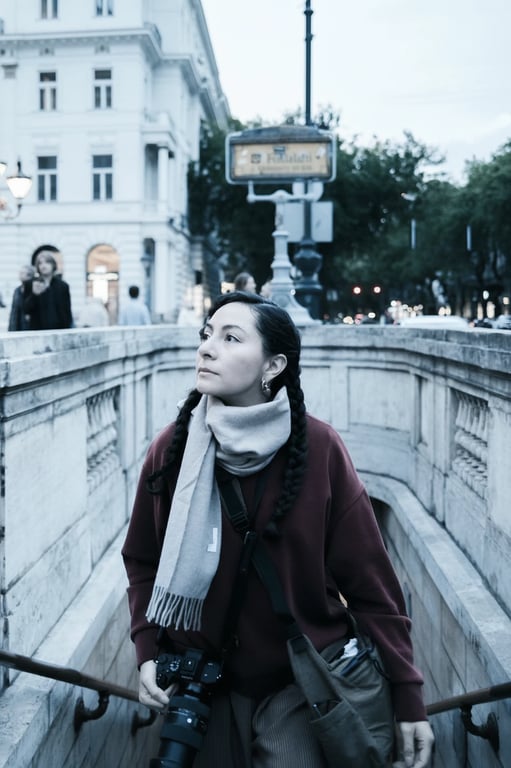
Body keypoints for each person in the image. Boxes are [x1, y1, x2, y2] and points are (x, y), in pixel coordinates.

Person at [122, 292, 434, 768]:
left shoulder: (320, 447)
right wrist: (147, 649)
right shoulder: (173, 447)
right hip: (201, 683)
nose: (207, 348)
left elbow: (371, 583)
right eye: (206, 335)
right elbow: (143, 558)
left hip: (299, 685)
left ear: (273, 366)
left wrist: (408, 693)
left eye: (230, 338)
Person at [24, 251, 73, 330]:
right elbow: (26, 310)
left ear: (53, 265)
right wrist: (34, 295)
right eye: (40, 263)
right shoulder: (30, 284)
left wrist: (67, 328)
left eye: (47, 262)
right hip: (38, 331)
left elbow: (67, 311)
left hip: (59, 330)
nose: (43, 266)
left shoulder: (63, 286)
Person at [8, 264, 35, 331]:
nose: (20, 275)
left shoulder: (34, 289)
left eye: (22, 273)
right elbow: (14, 311)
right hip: (17, 326)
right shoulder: (17, 290)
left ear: (30, 275)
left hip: (31, 328)